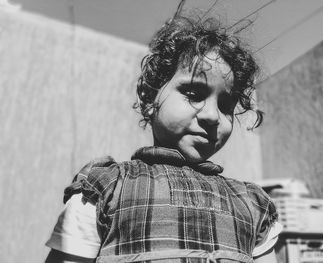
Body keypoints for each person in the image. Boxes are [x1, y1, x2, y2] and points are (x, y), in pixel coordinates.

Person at [45, 2, 282, 263]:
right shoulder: (106, 188)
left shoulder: (252, 203)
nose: (212, 115)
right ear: (149, 98)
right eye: (193, 94)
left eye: (225, 105)